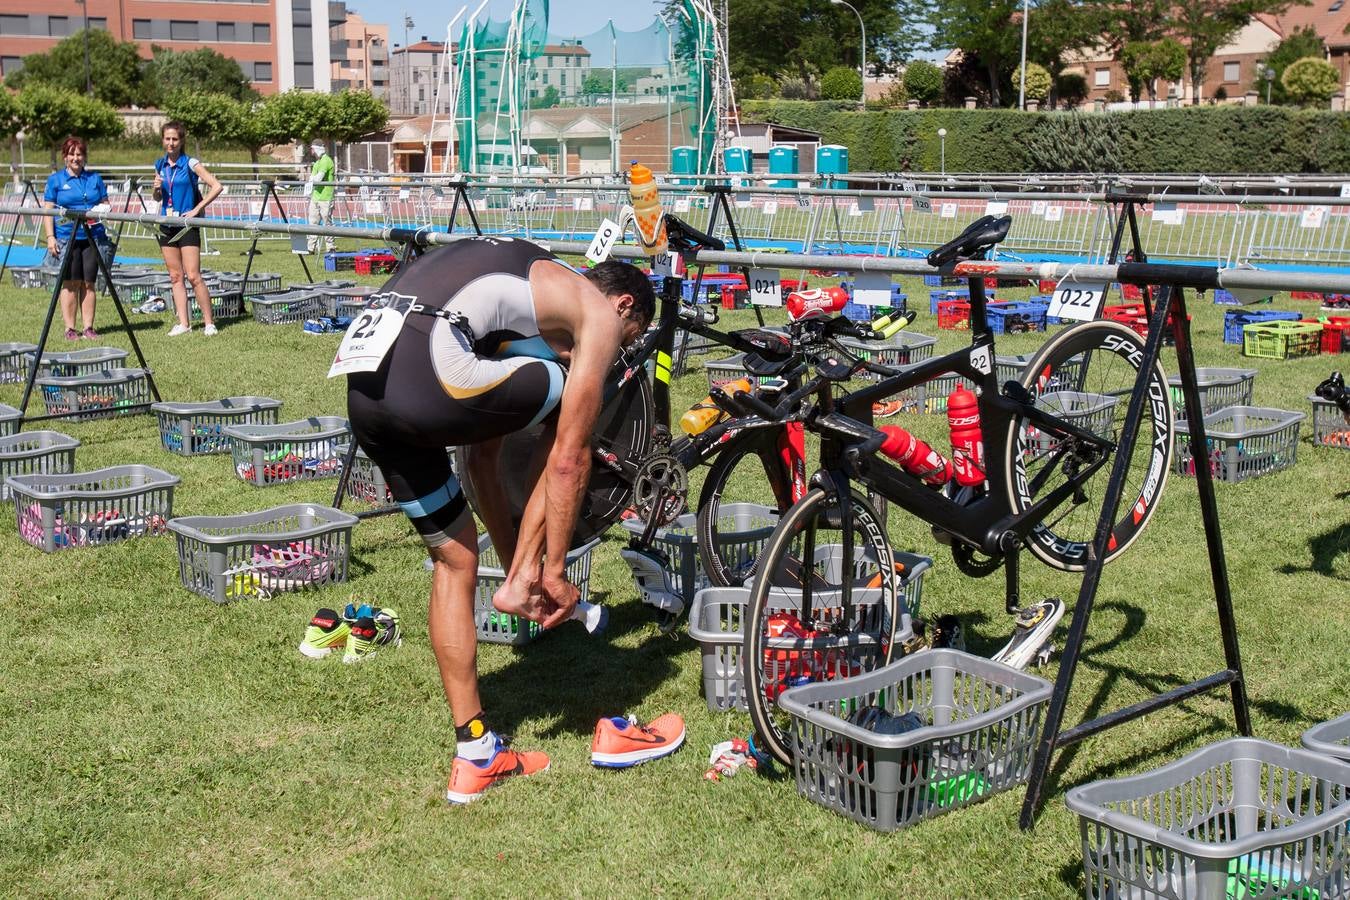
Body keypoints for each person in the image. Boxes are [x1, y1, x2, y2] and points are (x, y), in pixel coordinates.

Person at [346, 237, 656, 803]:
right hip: (427, 363)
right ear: (624, 309)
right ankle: (520, 581)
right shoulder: (595, 312)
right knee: (570, 410)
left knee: (456, 556)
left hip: (367, 392)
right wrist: (554, 569)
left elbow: (483, 457)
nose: (596, 356)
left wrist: (517, 564)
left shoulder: (523, 296)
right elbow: (568, 460)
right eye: (624, 346)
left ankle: (475, 753)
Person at [152, 121, 223, 337]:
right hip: (167, 225)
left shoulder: (190, 163)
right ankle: (184, 323)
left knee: (193, 276)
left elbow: (217, 186)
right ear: (163, 140)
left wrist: (196, 210)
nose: (171, 143)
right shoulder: (159, 164)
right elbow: (158, 197)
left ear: (181, 141)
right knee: (175, 276)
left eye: (175, 139)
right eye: (167, 139)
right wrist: (155, 190)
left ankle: (209, 322)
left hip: (187, 226)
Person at [42, 136, 110, 341]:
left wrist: (101, 209)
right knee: (70, 283)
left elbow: (106, 204)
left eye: (79, 154)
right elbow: (48, 212)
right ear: (65, 157)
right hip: (66, 238)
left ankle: (88, 327)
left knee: (89, 283)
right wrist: (50, 237)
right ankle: (70, 328)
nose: (76, 158)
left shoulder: (94, 179)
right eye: (71, 154)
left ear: (85, 157)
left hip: (92, 237)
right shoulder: (55, 180)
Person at [306, 141, 336, 255]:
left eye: (312, 149)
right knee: (312, 223)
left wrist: (313, 180)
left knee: (326, 223)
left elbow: (317, 179)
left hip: (326, 197)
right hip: (316, 196)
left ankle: (330, 247)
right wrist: (312, 180)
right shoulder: (317, 162)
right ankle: (310, 248)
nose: (311, 151)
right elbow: (311, 179)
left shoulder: (326, 161)